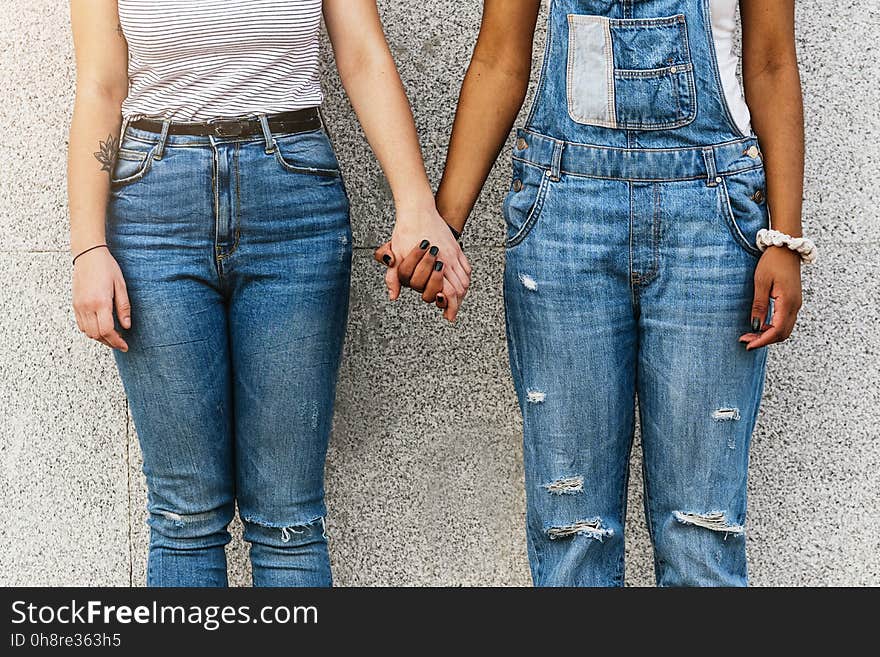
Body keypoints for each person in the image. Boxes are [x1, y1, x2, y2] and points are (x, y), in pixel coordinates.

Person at [378, 0, 815, 586]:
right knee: (572, 539)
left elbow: (770, 63)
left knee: (702, 538)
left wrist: (784, 238)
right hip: (564, 220)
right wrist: (443, 230)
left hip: (710, 225)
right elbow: (501, 58)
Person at [67, 0, 469, 587]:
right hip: (154, 212)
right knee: (185, 518)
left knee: (288, 518)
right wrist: (87, 246)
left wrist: (416, 204)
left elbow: (361, 53)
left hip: (293, 202)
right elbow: (101, 85)